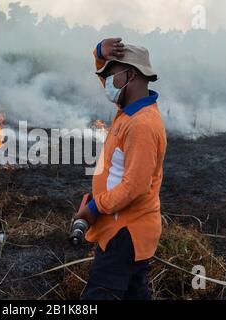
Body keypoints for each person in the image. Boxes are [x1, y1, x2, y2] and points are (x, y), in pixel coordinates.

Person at [74, 38, 167, 300]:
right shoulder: (128, 109)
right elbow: (108, 81)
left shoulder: (141, 125)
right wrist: (100, 50)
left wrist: (93, 208)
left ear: (132, 75)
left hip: (125, 233)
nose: (107, 84)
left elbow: (135, 186)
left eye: (112, 75)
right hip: (126, 228)